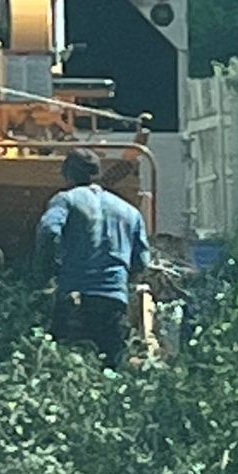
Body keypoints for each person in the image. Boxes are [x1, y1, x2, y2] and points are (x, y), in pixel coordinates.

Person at [34, 150, 151, 370]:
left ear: (67, 174)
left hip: (76, 297)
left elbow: (49, 230)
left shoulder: (66, 200)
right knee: (110, 366)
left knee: (67, 365)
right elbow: (141, 262)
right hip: (114, 300)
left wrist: (45, 272)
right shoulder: (130, 211)